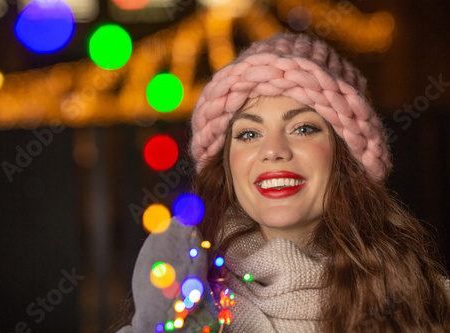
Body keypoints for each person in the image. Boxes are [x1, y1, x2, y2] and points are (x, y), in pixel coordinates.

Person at [117, 33, 450, 332]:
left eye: (303, 128)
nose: (273, 151)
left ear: (346, 157)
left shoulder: (430, 302)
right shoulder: (180, 293)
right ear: (226, 165)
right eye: (248, 133)